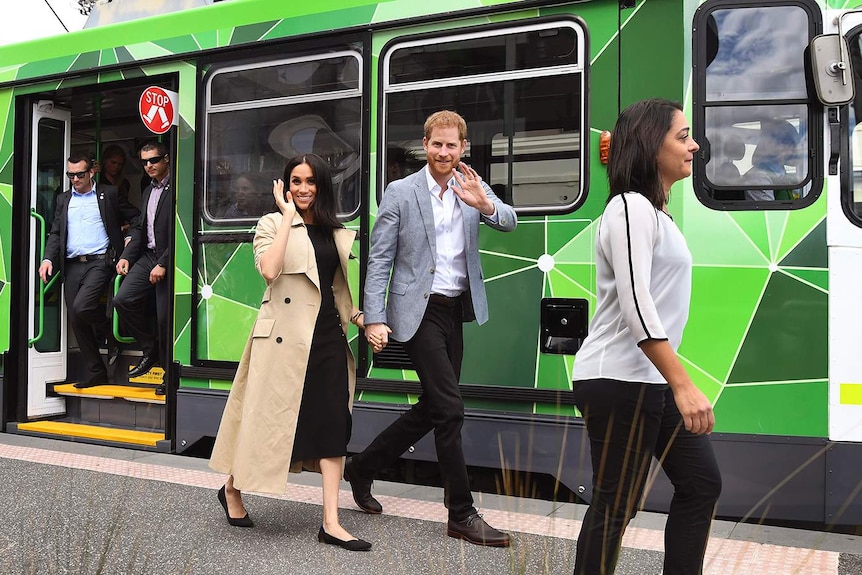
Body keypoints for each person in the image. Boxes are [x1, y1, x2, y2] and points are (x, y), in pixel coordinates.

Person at [344, 110, 517, 547]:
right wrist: (375, 316)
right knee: (450, 409)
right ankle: (460, 512)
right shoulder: (400, 192)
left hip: (455, 309)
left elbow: (510, 221)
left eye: (451, 145)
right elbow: (380, 258)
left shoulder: (472, 185)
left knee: (434, 407)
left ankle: (363, 467)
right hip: (416, 313)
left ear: (463, 148)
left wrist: (485, 204)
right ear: (425, 145)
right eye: (436, 144)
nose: (444, 152)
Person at [570, 99, 722, 575]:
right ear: (650, 145)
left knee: (701, 483)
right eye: (682, 136)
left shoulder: (654, 213)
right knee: (616, 505)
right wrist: (683, 383)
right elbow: (637, 305)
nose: (694, 144)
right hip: (618, 378)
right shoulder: (630, 208)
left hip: (647, 378)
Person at [208, 153, 371, 551]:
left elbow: (337, 291)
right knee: (268, 422)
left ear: (322, 186)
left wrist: (365, 321)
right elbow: (269, 270)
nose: (302, 188)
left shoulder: (336, 229)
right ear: (285, 185)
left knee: (335, 422)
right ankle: (232, 488)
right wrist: (285, 217)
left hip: (328, 336)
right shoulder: (270, 223)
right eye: (295, 181)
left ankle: (331, 522)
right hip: (282, 338)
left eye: (311, 181)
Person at [38, 152, 139, 388]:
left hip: (100, 261)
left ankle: (109, 331)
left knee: (82, 307)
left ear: (91, 171)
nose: (75, 179)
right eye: (70, 175)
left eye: (79, 174)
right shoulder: (63, 199)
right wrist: (47, 259)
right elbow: (55, 232)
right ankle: (97, 372)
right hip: (72, 263)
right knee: (76, 317)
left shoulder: (109, 194)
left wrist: (128, 234)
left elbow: (136, 216)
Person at [114, 141, 173, 396]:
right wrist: (127, 256)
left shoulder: (178, 186)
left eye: (154, 160)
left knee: (165, 320)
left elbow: (182, 230)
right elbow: (139, 228)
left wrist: (164, 262)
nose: (149, 165)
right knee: (122, 300)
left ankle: (169, 378)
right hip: (148, 255)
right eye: (145, 161)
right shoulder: (148, 190)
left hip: (171, 258)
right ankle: (150, 350)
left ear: (167, 159)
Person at [743, 119, 801, 201]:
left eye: (789, 143)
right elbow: (769, 212)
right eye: (781, 142)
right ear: (767, 144)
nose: (789, 148)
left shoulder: (781, 174)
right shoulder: (759, 177)